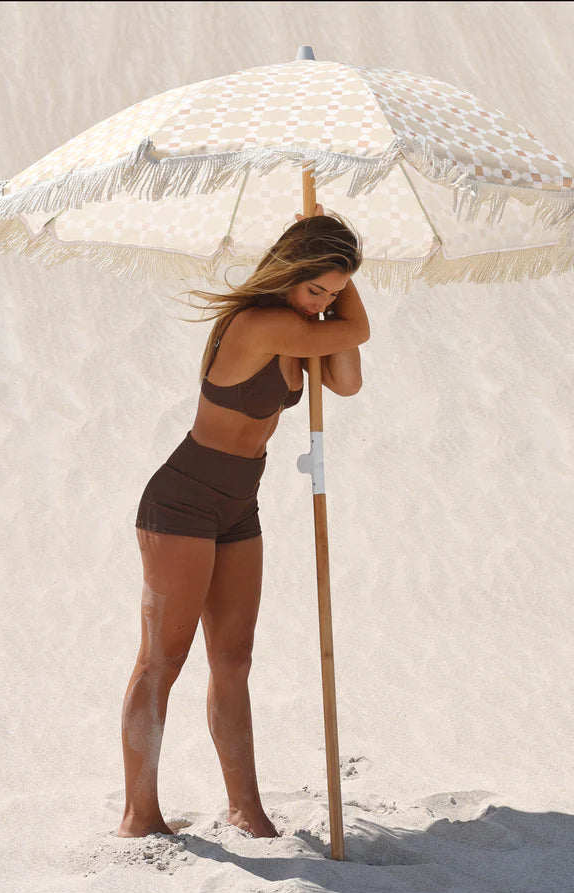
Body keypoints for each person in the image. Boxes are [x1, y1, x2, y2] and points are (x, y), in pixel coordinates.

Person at [116, 205, 370, 839]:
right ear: (286, 272)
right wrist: (339, 293)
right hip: (181, 501)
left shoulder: (304, 326)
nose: (324, 303)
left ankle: (245, 808)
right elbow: (357, 334)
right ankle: (139, 815)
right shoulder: (258, 324)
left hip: (239, 504)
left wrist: (333, 278)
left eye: (333, 293)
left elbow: (346, 381)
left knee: (233, 659)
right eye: (315, 288)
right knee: (161, 662)